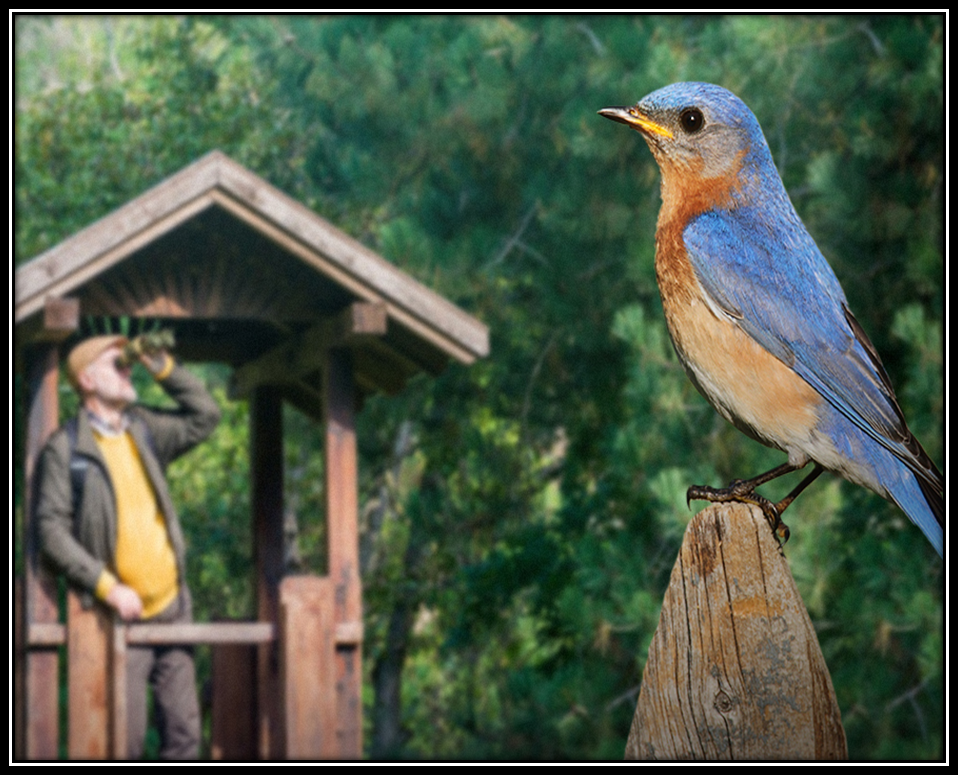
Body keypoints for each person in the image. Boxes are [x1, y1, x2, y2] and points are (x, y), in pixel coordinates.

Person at [35, 334, 221, 759]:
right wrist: (108, 587)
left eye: (128, 363)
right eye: (117, 364)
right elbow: (50, 531)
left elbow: (206, 417)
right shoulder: (66, 449)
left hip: (174, 609)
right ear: (86, 379)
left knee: (185, 740)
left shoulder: (144, 427)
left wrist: (164, 368)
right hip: (119, 619)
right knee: (125, 740)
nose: (128, 370)